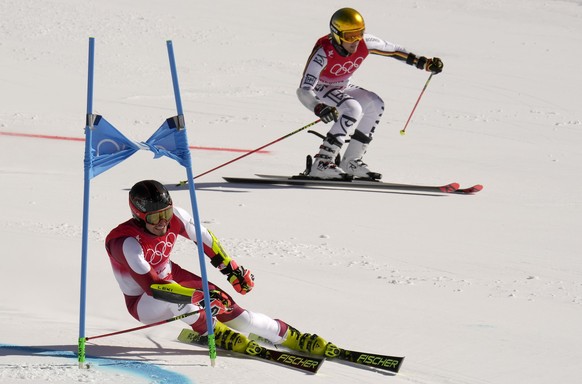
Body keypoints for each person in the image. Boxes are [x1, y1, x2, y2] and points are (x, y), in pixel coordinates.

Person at [105, 179, 336, 357]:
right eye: (155, 218)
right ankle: (212, 331)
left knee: (237, 315)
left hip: (173, 277)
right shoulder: (125, 242)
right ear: (138, 215)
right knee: (178, 297)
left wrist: (231, 269)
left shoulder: (175, 216)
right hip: (143, 303)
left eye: (165, 213)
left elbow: (205, 239)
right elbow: (154, 287)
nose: (163, 222)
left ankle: (286, 335)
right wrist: (201, 297)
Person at [297, 7, 444, 180]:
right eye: (350, 36)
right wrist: (318, 107)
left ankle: (351, 161)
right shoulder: (323, 52)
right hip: (321, 88)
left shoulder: (365, 42)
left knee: (375, 104)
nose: (356, 41)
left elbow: (395, 50)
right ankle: (321, 163)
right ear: (337, 35)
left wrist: (424, 63)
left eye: (359, 34)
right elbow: (304, 90)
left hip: (343, 86)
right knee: (352, 108)